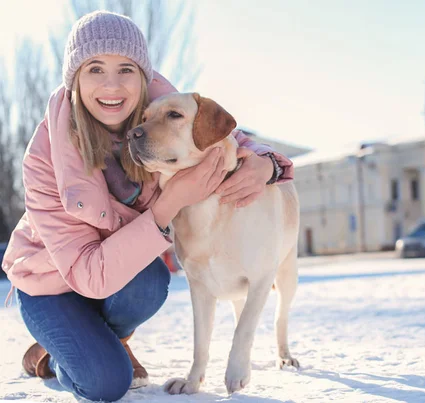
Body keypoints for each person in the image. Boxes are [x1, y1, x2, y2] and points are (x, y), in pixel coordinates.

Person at [1, 10, 293, 402]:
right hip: (52, 283)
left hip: (117, 275)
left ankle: (103, 340)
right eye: (94, 69)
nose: (111, 84)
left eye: (125, 69)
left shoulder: (161, 112)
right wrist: (170, 202)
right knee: (105, 383)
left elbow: (230, 137)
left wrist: (267, 164)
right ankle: (59, 353)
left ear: (142, 76)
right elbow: (88, 274)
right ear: (75, 79)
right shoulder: (44, 156)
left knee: (150, 282)